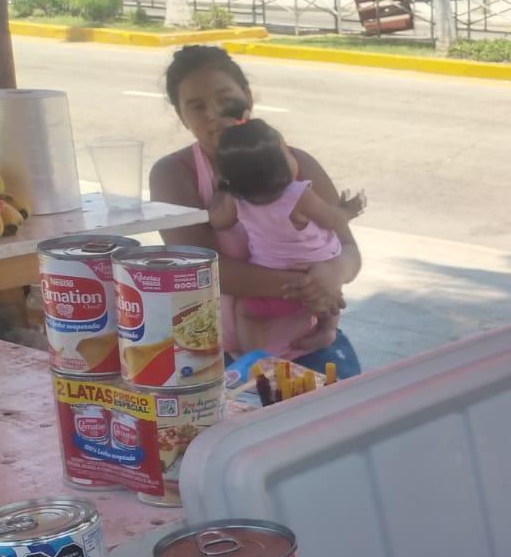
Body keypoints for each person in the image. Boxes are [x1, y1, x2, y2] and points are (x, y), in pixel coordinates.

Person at [149, 45, 365, 377]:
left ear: (247, 97)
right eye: (196, 106)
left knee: (347, 422)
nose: (213, 114)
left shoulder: (299, 163)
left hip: (308, 345)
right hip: (211, 355)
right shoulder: (175, 174)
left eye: (225, 99)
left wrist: (334, 272)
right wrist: (310, 284)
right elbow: (205, 271)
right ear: (181, 116)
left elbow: (348, 250)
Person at [211, 119, 365, 356]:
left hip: (275, 282)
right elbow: (332, 220)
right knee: (331, 295)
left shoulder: (237, 199)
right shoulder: (299, 194)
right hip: (316, 270)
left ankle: (255, 358)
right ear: (281, 165)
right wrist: (347, 210)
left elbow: (219, 221)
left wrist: (220, 193)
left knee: (246, 310)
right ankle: (327, 330)